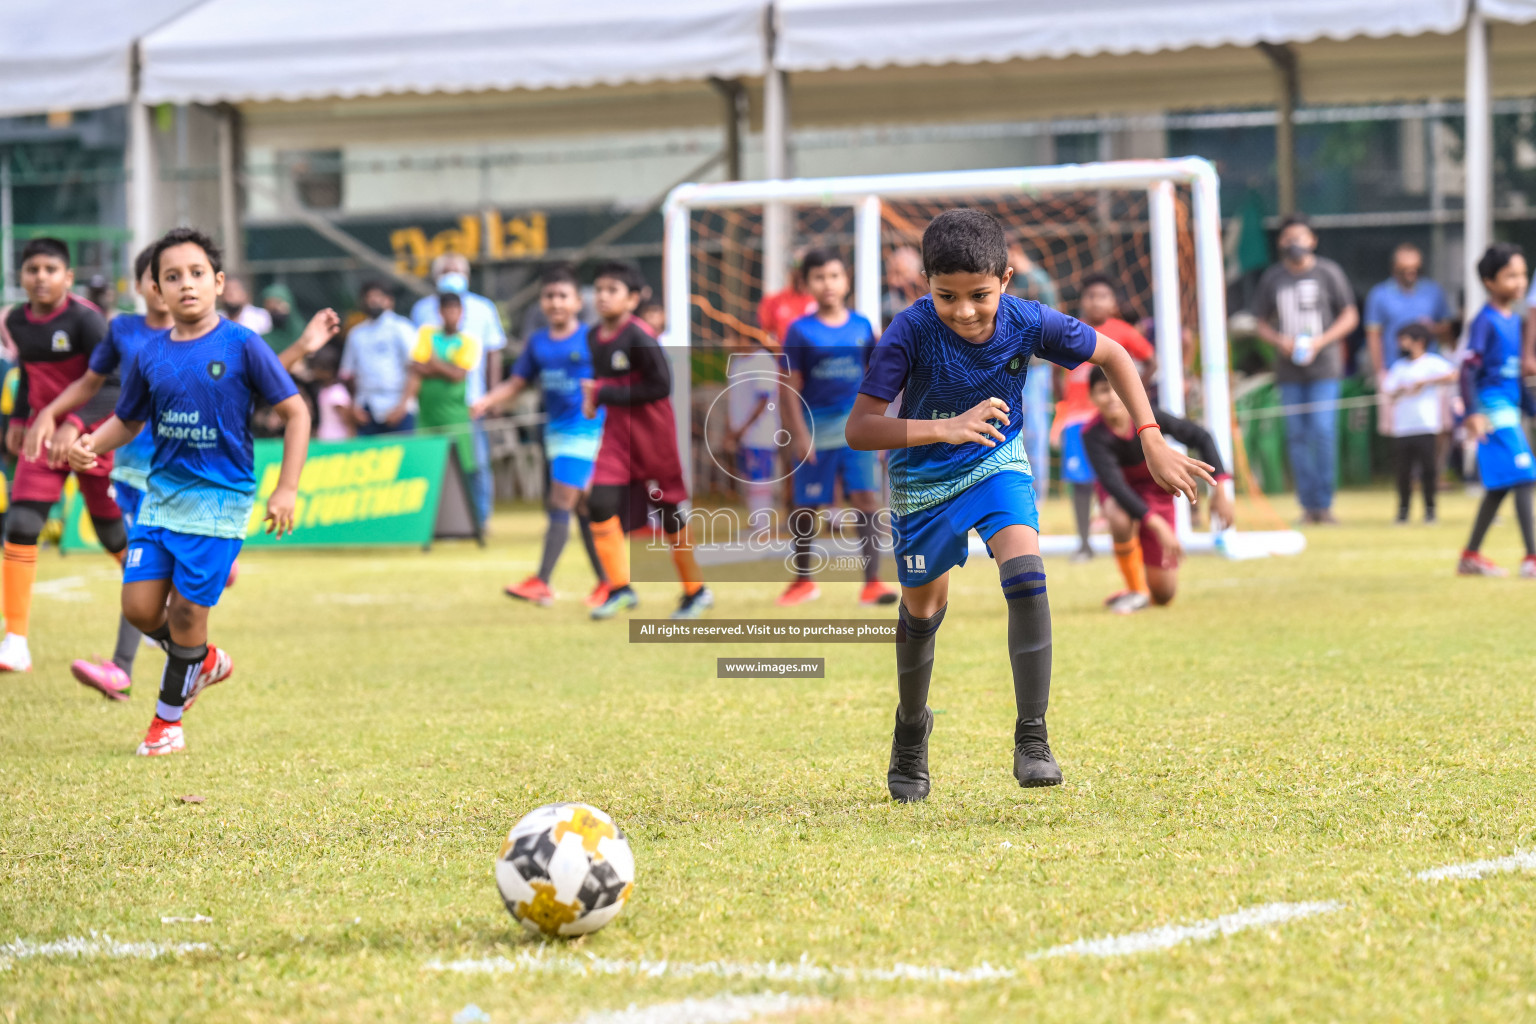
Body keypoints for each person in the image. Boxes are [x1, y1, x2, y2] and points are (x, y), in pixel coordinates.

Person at [845, 209, 1215, 802]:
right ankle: (911, 732)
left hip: (996, 460)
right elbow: (861, 429)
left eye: (979, 296)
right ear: (925, 284)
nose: (964, 310)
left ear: (1007, 280)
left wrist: (1150, 437)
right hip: (922, 478)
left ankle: (1032, 736)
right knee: (921, 614)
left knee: (1026, 574)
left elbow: (1116, 356)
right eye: (947, 296)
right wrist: (946, 428)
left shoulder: (1028, 321)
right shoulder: (909, 331)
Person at [68, 227, 318, 756]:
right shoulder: (148, 354)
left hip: (220, 501)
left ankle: (166, 724)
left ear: (219, 282)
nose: (186, 285)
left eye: (197, 274)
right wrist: (91, 442)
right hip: (161, 497)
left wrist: (287, 488)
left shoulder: (243, 344)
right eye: (172, 276)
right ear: (155, 288)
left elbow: (296, 412)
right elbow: (129, 421)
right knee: (139, 607)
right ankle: (202, 661)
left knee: (185, 613)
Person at [24, 246, 167, 697]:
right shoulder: (122, 330)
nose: (172, 287)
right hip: (129, 472)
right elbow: (93, 385)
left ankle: (191, 653)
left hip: (188, 477)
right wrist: (59, 418)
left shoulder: (217, 338)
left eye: (189, 275)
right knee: (140, 568)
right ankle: (122, 669)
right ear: (142, 285)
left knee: (175, 591)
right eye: (160, 277)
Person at [0, 238, 123, 674]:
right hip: (43, 437)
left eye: (50, 269)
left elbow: (114, 385)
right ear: (22, 276)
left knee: (113, 537)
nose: (40, 277)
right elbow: (29, 376)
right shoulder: (16, 321)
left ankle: (155, 606)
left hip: (93, 437)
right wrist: (18, 419)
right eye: (32, 269)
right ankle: (14, 641)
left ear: (67, 278)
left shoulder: (87, 321)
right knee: (20, 524)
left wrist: (76, 424)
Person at [580, 260, 712, 621]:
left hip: (652, 437)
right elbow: (601, 381)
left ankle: (695, 590)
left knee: (668, 512)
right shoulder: (594, 336)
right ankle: (620, 588)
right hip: (616, 437)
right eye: (599, 290)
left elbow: (660, 386)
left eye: (613, 290)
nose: (603, 297)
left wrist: (605, 391)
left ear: (633, 298)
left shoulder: (640, 337)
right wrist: (593, 397)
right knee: (599, 503)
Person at [471, 264, 608, 608]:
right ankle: (609, 583)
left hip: (586, 431)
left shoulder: (591, 340)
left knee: (560, 501)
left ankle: (542, 581)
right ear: (541, 303)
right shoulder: (537, 343)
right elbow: (517, 383)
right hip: (555, 432)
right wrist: (488, 400)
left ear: (577, 302)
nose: (556, 302)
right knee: (582, 508)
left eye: (563, 296)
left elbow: (611, 380)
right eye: (549, 296)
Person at [776, 248, 894, 608]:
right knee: (806, 505)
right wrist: (800, 435)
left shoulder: (862, 327)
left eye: (834, 276)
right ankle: (802, 582)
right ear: (807, 283)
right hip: (817, 431)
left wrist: (880, 429)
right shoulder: (800, 330)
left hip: (857, 430)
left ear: (846, 280)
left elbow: (878, 381)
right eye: (819, 277)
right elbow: (788, 388)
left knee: (866, 499)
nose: (828, 284)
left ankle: (872, 583)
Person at [1082, 366, 1233, 614]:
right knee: (1118, 517)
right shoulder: (1092, 434)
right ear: (1092, 397)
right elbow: (1115, 485)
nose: (1111, 397)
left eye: (1114, 389)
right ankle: (1135, 590)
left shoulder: (1148, 416)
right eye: (1102, 391)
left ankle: (1144, 588)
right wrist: (1156, 524)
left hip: (1157, 493)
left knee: (1164, 595)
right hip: (1121, 495)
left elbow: (1202, 437)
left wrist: (1221, 491)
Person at [1250, 214, 1359, 524]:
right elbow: (1259, 323)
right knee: (1296, 436)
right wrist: (1279, 340)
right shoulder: (1273, 277)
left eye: (1300, 236)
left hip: (1324, 368)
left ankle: (1324, 503)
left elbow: (1349, 315)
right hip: (1289, 371)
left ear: (1312, 240)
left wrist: (1321, 341)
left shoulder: (1328, 272)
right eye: (1288, 237)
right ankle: (1308, 505)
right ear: (1281, 242)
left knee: (1323, 432)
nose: (1294, 243)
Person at [1054, 272, 1156, 561]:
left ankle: (1128, 536)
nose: (1096, 302)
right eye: (1090, 296)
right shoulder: (1070, 329)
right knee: (1081, 483)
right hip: (1077, 418)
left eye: (1102, 296)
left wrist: (1135, 393)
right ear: (1082, 301)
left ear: (1113, 303)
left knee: (1117, 477)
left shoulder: (1122, 331)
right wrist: (1062, 399)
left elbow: (1151, 360)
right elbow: (1053, 367)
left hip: (1113, 417)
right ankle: (1084, 544)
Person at [1456, 243, 1536, 578]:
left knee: (1500, 486)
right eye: (1510, 276)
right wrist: (1471, 412)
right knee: (1525, 475)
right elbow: (1467, 368)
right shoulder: (1484, 321)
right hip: (1491, 410)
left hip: (1509, 408)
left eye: (1522, 275)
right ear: (1490, 281)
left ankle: (1470, 556)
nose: (1519, 283)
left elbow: (1516, 373)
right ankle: (1532, 558)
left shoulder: (1514, 321)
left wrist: (1531, 408)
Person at [411, 254, 508, 527]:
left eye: (456, 270)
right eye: (445, 270)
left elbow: (493, 355)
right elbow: (416, 361)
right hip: (431, 403)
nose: (451, 274)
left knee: (475, 463)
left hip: (472, 400)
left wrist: (493, 397)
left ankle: (480, 520)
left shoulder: (483, 308)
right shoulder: (422, 309)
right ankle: (437, 522)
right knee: (431, 464)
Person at [1379, 323, 1456, 524]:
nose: (1401, 344)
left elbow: (1453, 374)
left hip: (1426, 425)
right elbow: (1388, 390)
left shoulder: (1432, 362)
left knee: (1429, 470)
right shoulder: (1399, 367)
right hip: (1402, 428)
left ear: (1419, 342)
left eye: (1405, 339)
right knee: (1403, 472)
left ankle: (1430, 511)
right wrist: (1403, 389)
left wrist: (1426, 382)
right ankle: (1403, 512)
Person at [411, 292, 481, 501]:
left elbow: (458, 374)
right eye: (447, 309)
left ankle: (474, 518)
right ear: (440, 312)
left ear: (462, 312)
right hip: (427, 414)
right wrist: (445, 368)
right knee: (428, 466)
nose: (451, 314)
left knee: (463, 468)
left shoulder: (469, 340)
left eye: (455, 309)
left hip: (455, 415)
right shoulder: (427, 334)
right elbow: (415, 366)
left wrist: (433, 364)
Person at [1006, 242, 1057, 502]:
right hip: (1007, 369)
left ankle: (1037, 498)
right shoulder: (1006, 280)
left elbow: (1053, 323)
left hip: (1034, 370)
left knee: (1035, 434)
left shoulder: (1038, 280)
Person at [1364, 243, 1454, 383]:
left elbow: (1448, 330)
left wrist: (1433, 329)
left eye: (1415, 269)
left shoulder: (1433, 291)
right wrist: (1379, 372)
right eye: (1404, 269)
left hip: (1429, 371)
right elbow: (1374, 335)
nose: (1410, 273)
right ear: (1394, 268)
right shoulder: (1379, 294)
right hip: (1394, 370)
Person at [721, 331, 783, 525]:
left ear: (745, 338)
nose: (727, 341)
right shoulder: (737, 363)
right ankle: (756, 521)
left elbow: (763, 400)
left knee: (760, 475)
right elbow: (734, 399)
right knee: (747, 476)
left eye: (731, 336)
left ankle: (762, 525)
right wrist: (731, 429)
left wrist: (742, 429)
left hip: (760, 431)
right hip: (741, 432)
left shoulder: (763, 361)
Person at [341, 281, 417, 436]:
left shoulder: (401, 328)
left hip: (398, 405)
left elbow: (415, 369)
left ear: (389, 300)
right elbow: (347, 374)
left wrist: (403, 407)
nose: (373, 301)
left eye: (378, 296)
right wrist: (353, 407)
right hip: (366, 408)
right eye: (369, 297)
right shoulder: (356, 333)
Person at [756, 252, 816, 347]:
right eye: (798, 272)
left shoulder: (821, 301)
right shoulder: (774, 301)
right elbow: (766, 333)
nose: (801, 277)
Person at [258, 283, 304, 356]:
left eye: (278, 303)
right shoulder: (264, 341)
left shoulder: (304, 334)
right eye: (271, 308)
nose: (275, 310)